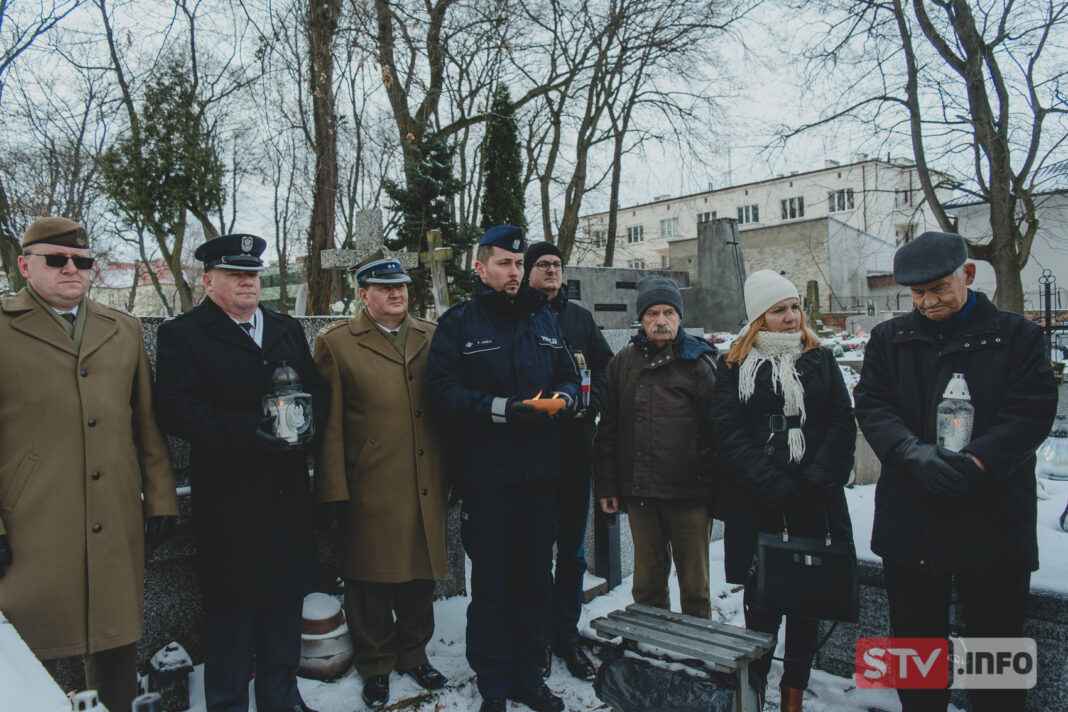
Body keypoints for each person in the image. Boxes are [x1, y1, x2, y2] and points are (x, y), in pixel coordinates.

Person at [853, 231, 1057, 712]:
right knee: (916, 656)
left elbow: (1030, 412)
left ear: (967, 275)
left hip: (992, 526)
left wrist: (977, 463)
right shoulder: (889, 338)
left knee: (996, 660)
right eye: (918, 293)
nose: (928, 302)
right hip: (912, 524)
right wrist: (910, 452)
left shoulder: (1018, 335)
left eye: (939, 288)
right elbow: (873, 404)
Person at [0, 216, 179, 712]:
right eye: (56, 260)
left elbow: (146, 425)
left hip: (114, 513)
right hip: (34, 521)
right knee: (29, 655)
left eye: (81, 261)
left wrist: (160, 498)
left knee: (114, 640)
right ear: (24, 265)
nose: (70, 269)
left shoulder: (122, 328)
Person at [154, 234, 329, 712]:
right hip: (231, 494)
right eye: (235, 274)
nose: (247, 282)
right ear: (208, 281)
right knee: (232, 613)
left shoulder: (284, 327)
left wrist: (310, 426)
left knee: (283, 606)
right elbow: (175, 409)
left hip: (286, 490)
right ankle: (228, 703)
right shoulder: (184, 333)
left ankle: (281, 697)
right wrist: (245, 431)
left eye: (252, 274)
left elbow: (316, 387)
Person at [424, 225, 580, 712]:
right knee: (491, 586)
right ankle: (493, 683)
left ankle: (529, 676)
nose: (514, 273)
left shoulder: (545, 320)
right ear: (481, 268)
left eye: (518, 264)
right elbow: (442, 392)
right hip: (487, 478)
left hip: (540, 474)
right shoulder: (458, 324)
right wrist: (499, 408)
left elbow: (569, 376)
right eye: (504, 264)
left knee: (536, 580)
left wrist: (568, 399)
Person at [710, 270, 856, 712]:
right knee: (762, 597)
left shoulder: (821, 358)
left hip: (815, 496)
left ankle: (794, 693)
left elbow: (840, 422)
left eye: (795, 307)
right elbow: (726, 430)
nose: (791, 317)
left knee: (806, 598)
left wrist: (814, 478)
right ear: (759, 318)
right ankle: (755, 687)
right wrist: (770, 482)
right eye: (779, 310)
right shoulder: (734, 365)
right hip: (759, 498)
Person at [313, 258, 450, 708]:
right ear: (362, 294)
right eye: (383, 287)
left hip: (425, 477)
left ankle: (413, 653)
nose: (396, 294)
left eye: (401, 287)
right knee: (368, 578)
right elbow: (329, 425)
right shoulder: (336, 344)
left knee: (419, 573)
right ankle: (375, 663)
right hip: (370, 480)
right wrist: (333, 490)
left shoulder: (432, 336)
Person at [593, 275, 719, 619]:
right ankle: (649, 656)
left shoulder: (701, 364)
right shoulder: (623, 363)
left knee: (695, 589)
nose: (661, 321)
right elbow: (608, 430)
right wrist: (607, 486)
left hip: (689, 497)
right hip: (642, 497)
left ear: (679, 317)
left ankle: (697, 660)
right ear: (641, 319)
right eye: (652, 314)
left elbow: (720, 433)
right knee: (647, 588)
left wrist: (718, 493)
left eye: (668, 313)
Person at [523, 242, 613, 682]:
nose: (552, 271)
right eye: (543, 265)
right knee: (538, 553)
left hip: (577, 449)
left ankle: (566, 634)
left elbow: (606, 367)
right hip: (534, 452)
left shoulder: (578, 317)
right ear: (525, 271)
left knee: (573, 554)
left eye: (557, 265)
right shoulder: (518, 313)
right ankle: (537, 637)